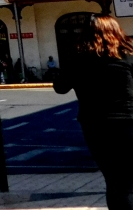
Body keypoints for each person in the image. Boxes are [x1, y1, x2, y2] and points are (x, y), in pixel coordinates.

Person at [53, 15, 133, 210]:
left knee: (114, 180)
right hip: (129, 121)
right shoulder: (128, 53)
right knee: (129, 181)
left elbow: (61, 87)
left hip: (95, 125)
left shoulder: (77, 56)